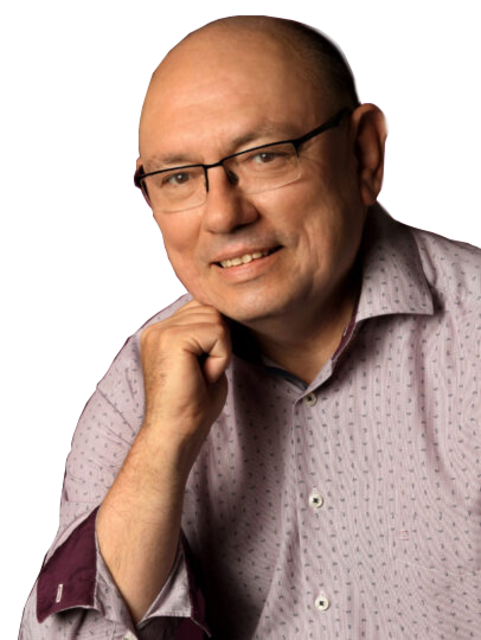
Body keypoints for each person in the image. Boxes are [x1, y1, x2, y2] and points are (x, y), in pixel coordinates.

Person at [20, 15, 480, 640]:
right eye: (179, 177)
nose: (223, 215)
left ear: (364, 155)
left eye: (265, 156)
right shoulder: (138, 386)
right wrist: (163, 441)